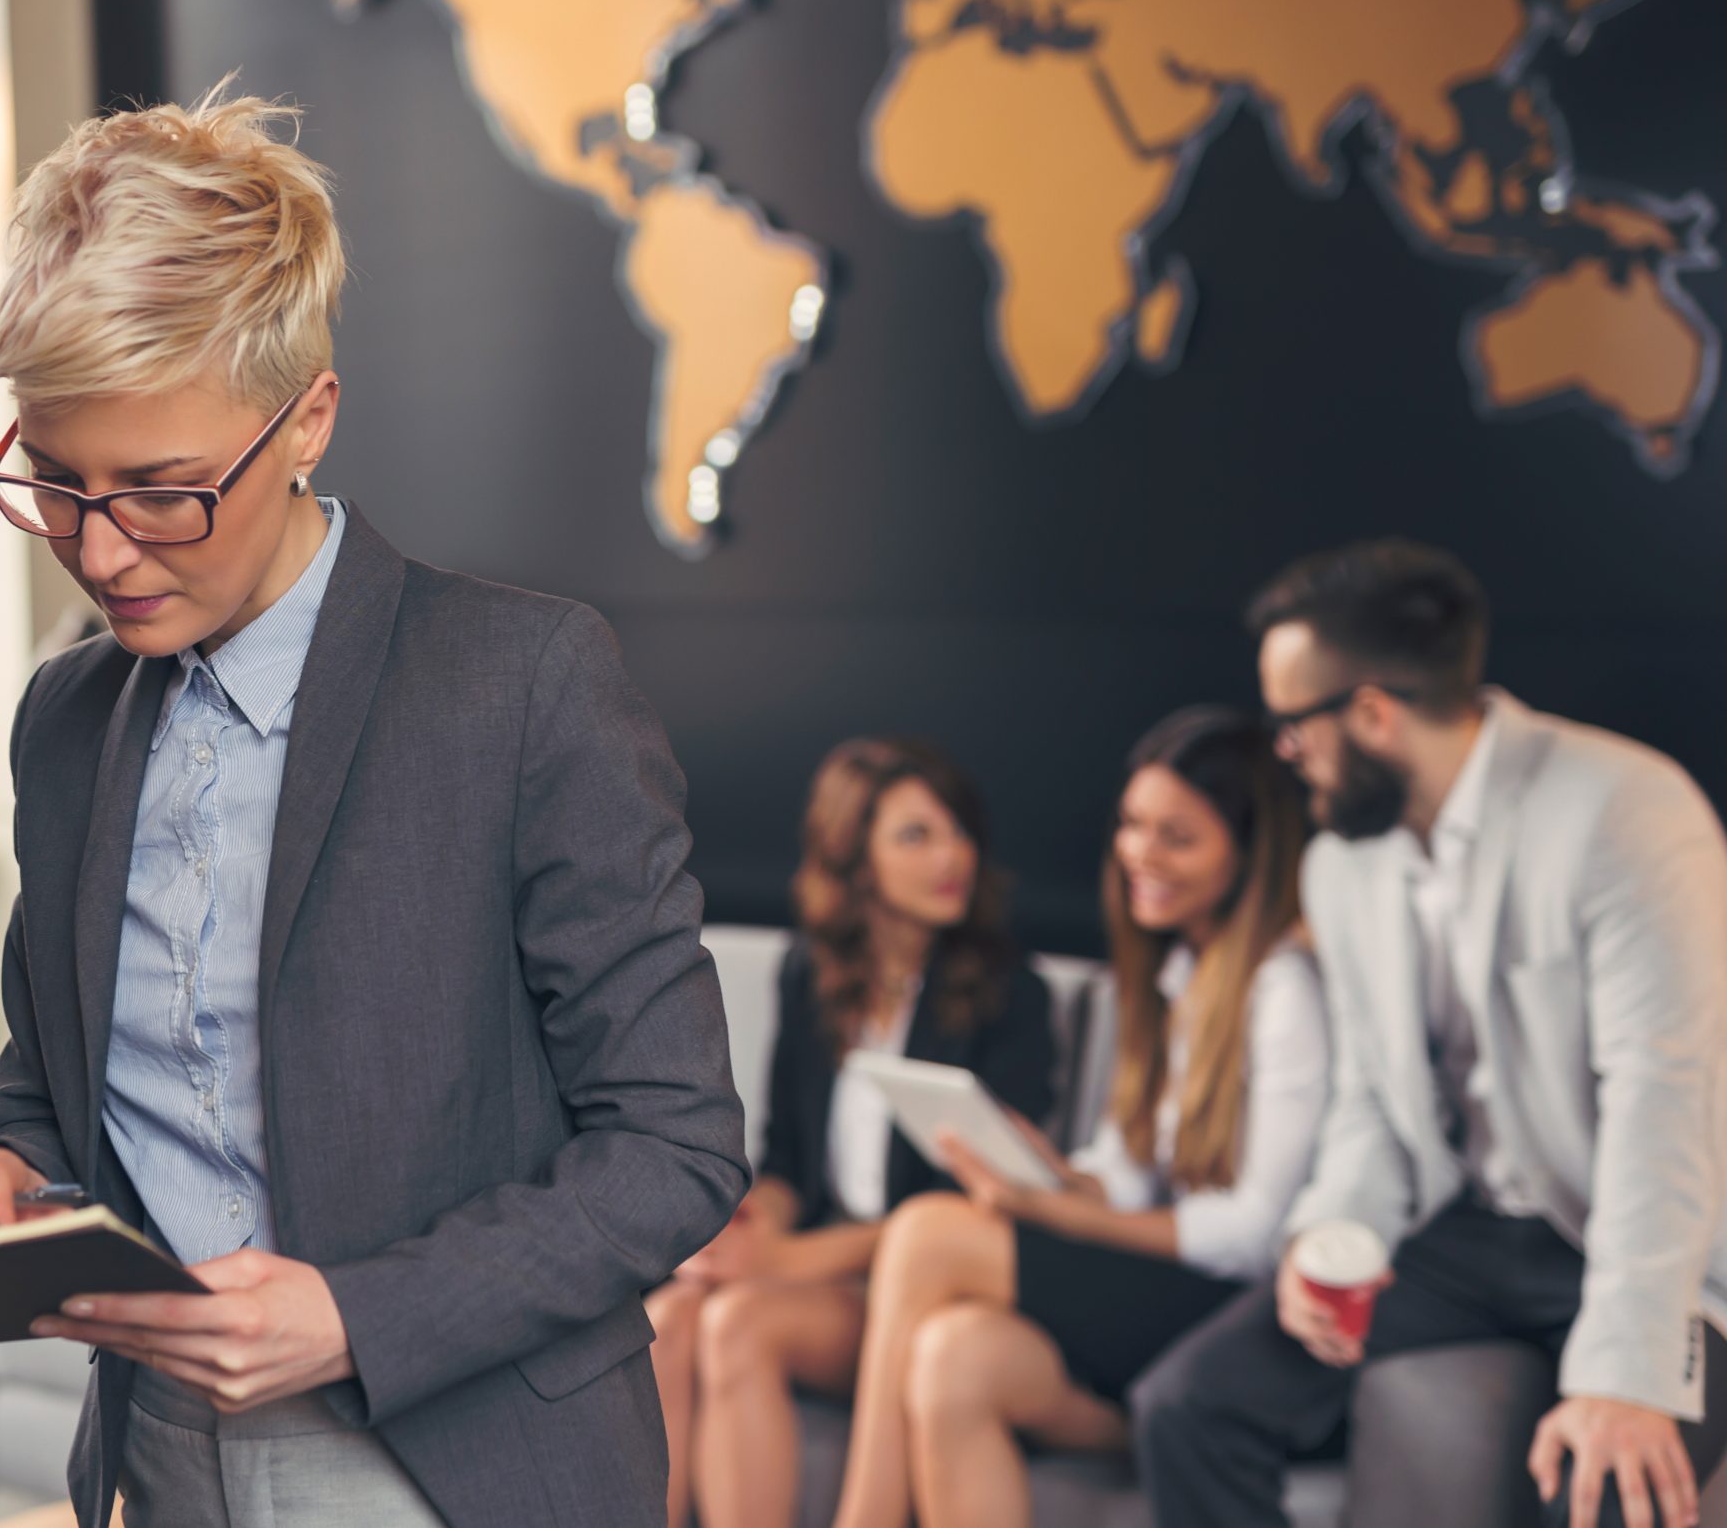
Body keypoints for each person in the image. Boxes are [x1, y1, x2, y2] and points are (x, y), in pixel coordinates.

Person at [0, 84, 747, 1528]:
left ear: (308, 420)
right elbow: (52, 1081)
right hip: (160, 1457)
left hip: (460, 1464)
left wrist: (355, 1313)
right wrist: (6, 1175)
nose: (99, 552)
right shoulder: (68, 716)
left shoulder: (526, 680)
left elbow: (676, 1146)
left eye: (164, 492)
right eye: (55, 481)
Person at [1132, 539, 1727, 1528]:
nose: (1287, 755)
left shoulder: (1622, 810)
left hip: (1659, 1236)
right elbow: (1370, 1096)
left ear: (1370, 714)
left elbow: (1661, 1102)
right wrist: (1332, 1235)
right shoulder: (1342, 862)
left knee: (1609, 1486)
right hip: (1473, 1236)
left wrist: (1623, 1375)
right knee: (1187, 1406)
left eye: (1292, 726)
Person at [826, 706, 1327, 1527]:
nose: (1141, 853)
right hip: (1154, 1296)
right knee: (954, 1356)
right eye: (1133, 825)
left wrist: (1057, 1211)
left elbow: (1252, 1232)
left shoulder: (1284, 992)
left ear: (1247, 853)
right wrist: (1061, 1174)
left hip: (1231, 1312)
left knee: (928, 1233)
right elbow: (1130, 1174)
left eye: (1178, 836)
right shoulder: (1175, 974)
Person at [647, 738, 1058, 1528]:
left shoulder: (1014, 994)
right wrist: (753, 1219)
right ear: (855, 858)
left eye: (959, 831)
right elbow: (790, 1159)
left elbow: (959, 1208)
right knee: (667, 1317)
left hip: (918, 1285)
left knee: (738, 1323)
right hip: (826, 1268)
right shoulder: (812, 973)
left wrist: (784, 1259)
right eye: (917, 835)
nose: (954, 856)